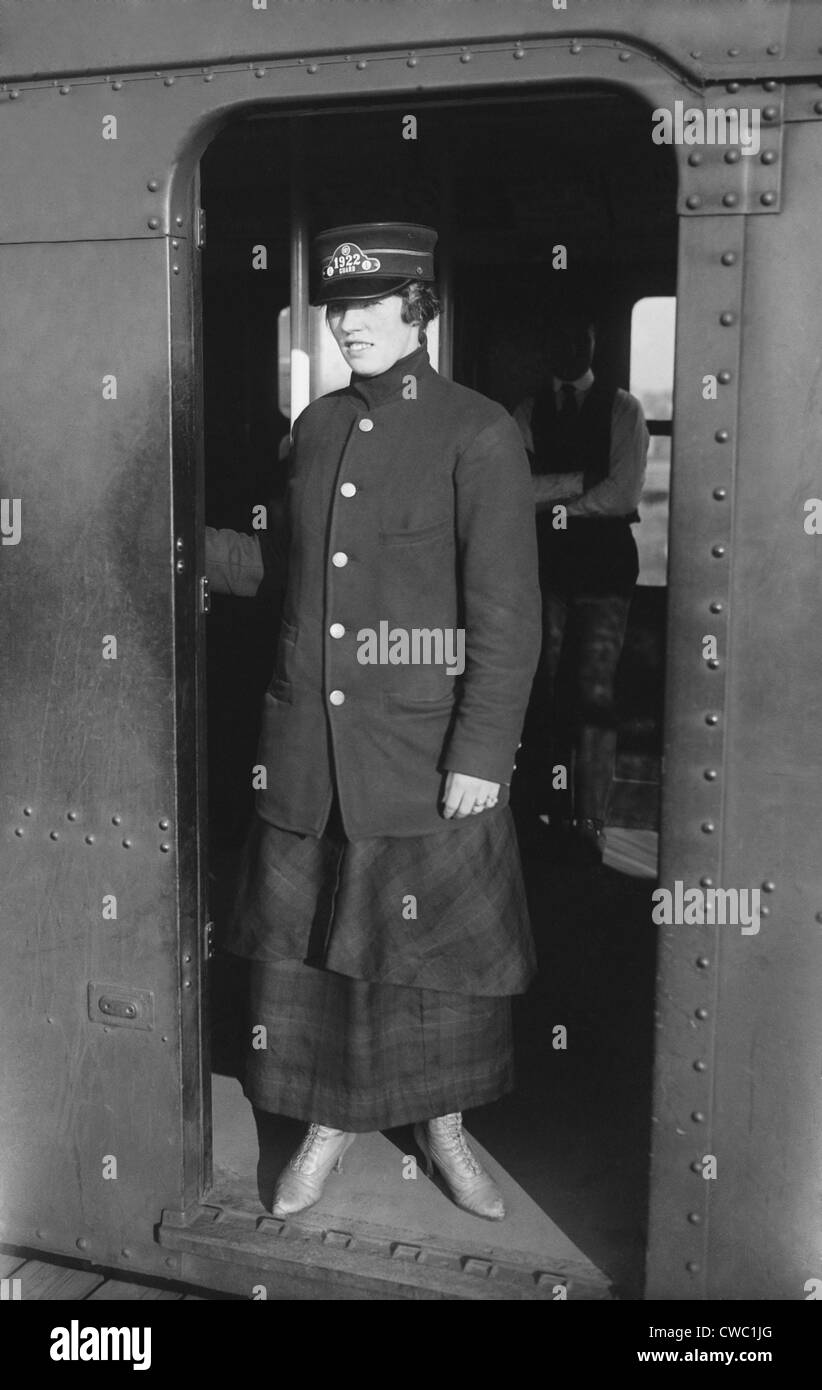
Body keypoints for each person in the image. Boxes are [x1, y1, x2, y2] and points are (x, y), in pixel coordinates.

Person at [205, 222, 541, 1223]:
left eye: (368, 306)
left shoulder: (479, 433)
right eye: (337, 309)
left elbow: (509, 618)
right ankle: (327, 1128)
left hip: (421, 758)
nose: (348, 324)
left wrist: (483, 752)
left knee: (436, 968)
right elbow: (288, 576)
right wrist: (184, 544)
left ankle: (445, 1134)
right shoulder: (313, 427)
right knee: (312, 962)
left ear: (418, 309)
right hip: (309, 754)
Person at [512, 310, 649, 864]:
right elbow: (514, 491)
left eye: (582, 337)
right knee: (538, 694)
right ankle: (539, 814)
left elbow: (624, 493)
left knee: (592, 697)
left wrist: (555, 505)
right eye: (561, 337)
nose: (572, 347)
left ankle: (589, 820)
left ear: (595, 342)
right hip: (543, 572)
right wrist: (579, 485)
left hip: (604, 574)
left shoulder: (624, 408)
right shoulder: (525, 410)